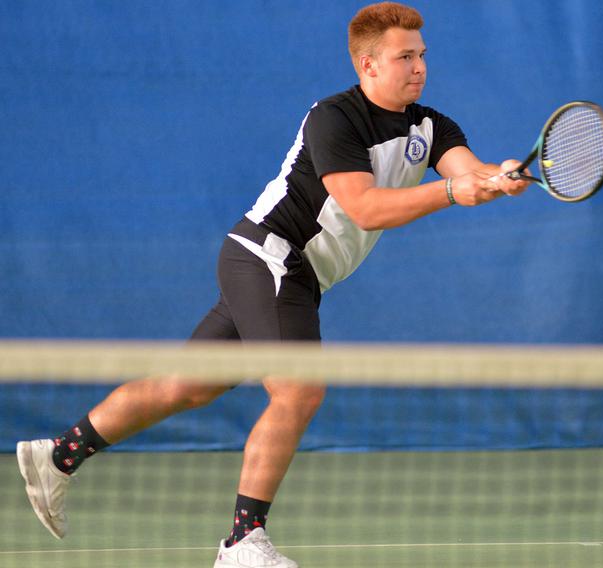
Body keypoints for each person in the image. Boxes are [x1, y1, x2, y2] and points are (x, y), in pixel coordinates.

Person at [16, 3, 528, 567]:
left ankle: (58, 454)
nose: (419, 67)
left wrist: (497, 178)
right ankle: (242, 542)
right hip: (267, 257)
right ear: (368, 65)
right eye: (404, 57)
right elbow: (364, 208)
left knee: (186, 387)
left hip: (296, 276)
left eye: (422, 55)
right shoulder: (335, 118)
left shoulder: (432, 126)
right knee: (300, 390)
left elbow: (467, 171)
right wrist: (456, 193)